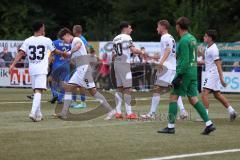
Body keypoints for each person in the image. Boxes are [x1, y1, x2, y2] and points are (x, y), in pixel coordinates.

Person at [158, 17, 215, 135]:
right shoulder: (192, 38)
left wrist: (178, 75)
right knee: (193, 99)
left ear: (179, 26)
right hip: (193, 71)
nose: (176, 27)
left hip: (185, 72)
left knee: (173, 97)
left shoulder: (184, 40)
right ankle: (209, 124)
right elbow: (189, 55)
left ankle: (170, 127)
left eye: (176, 25)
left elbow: (184, 60)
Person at [9, 21, 68, 122]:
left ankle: (39, 114)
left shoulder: (27, 40)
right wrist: (63, 53)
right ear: (41, 28)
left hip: (32, 69)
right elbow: (55, 52)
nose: (44, 29)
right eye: (43, 27)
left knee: (36, 91)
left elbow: (21, 53)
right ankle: (32, 113)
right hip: (41, 69)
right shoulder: (47, 40)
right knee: (38, 91)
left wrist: (13, 64)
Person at [56, 28, 116, 120]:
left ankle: (111, 110)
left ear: (67, 34)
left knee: (92, 92)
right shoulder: (72, 43)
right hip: (80, 70)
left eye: (64, 39)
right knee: (73, 89)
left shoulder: (76, 39)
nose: (65, 42)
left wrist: (68, 53)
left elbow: (79, 46)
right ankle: (64, 113)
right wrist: (66, 57)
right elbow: (74, 56)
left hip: (83, 70)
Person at [140, 20, 188, 120]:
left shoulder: (164, 37)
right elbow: (170, 53)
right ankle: (183, 111)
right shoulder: (171, 37)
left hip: (166, 68)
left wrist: (161, 63)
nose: (157, 29)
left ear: (162, 27)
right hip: (172, 67)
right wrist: (150, 56)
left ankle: (152, 114)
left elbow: (168, 50)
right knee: (174, 90)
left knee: (157, 89)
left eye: (158, 26)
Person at [201, 30, 237, 121]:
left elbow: (218, 64)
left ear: (210, 38)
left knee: (204, 93)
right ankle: (232, 111)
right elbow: (208, 61)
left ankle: (205, 117)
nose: (204, 37)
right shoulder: (208, 47)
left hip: (212, 73)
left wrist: (221, 78)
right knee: (217, 95)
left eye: (205, 36)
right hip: (211, 73)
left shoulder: (214, 49)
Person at [113, 21, 145, 119]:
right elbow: (134, 50)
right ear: (125, 28)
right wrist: (142, 51)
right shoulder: (127, 37)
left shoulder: (115, 38)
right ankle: (129, 113)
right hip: (124, 64)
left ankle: (118, 112)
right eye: (130, 28)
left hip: (116, 63)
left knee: (119, 88)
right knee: (128, 88)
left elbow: (113, 55)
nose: (131, 30)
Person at [70, 25, 88, 108]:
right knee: (73, 83)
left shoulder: (80, 39)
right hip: (78, 63)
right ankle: (73, 101)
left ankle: (82, 102)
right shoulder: (79, 39)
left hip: (81, 64)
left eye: (73, 29)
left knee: (80, 84)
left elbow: (84, 49)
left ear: (75, 30)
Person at [49, 39, 71, 104]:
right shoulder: (69, 44)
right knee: (63, 83)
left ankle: (55, 94)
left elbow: (51, 54)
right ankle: (60, 99)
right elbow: (70, 55)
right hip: (66, 65)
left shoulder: (54, 42)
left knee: (51, 80)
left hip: (56, 65)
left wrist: (48, 64)